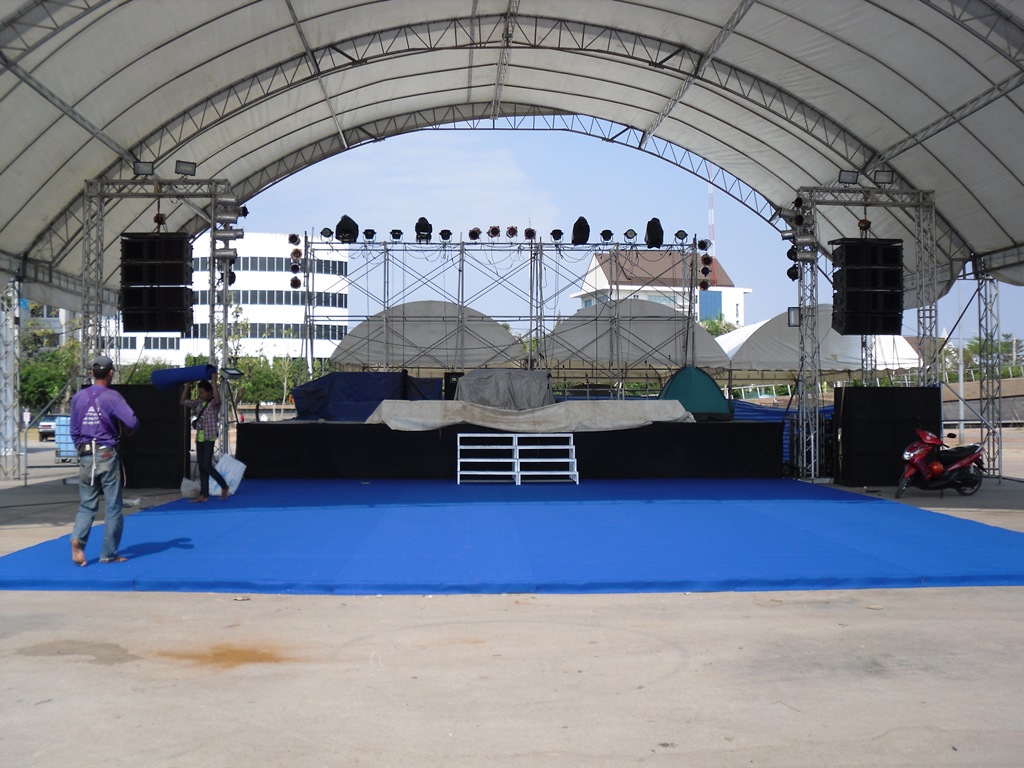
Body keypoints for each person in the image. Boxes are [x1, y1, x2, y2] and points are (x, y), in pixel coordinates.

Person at [69, 355, 139, 567]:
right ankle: (108, 553)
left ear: (91, 373)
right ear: (111, 373)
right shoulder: (112, 397)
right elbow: (132, 421)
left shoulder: (78, 397)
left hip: (86, 455)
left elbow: (74, 430)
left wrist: (82, 449)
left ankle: (78, 539)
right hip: (106, 453)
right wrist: (127, 431)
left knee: (87, 504)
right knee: (113, 506)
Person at [181, 370, 229, 503]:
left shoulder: (214, 403)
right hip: (200, 438)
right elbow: (183, 401)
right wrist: (187, 386)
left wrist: (214, 382)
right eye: (199, 393)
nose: (201, 395)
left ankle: (224, 486)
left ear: (209, 392)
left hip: (209, 437)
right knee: (202, 466)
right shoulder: (198, 402)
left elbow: (218, 399)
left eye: (202, 393)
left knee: (207, 465)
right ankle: (204, 494)